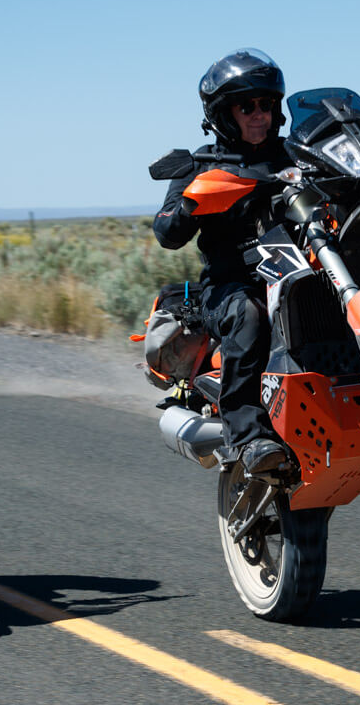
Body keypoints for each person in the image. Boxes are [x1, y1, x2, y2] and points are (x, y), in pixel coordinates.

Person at [152, 49, 290, 474]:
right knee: (249, 313)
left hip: (297, 275)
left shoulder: (295, 155)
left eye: (266, 104)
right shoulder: (202, 165)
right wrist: (191, 206)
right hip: (230, 288)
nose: (258, 114)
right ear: (223, 113)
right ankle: (247, 436)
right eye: (246, 105)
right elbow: (166, 233)